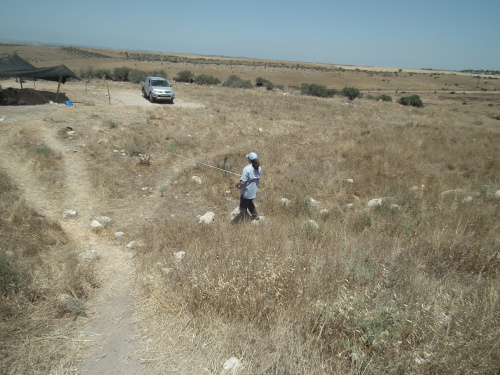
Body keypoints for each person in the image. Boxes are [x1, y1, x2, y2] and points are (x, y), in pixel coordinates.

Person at [234, 152, 261, 222]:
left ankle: (243, 220)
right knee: (249, 202)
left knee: (243, 207)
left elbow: (242, 182)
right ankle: (255, 215)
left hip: (246, 192)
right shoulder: (259, 168)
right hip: (254, 191)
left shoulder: (246, 169)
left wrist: (237, 184)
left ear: (249, 159)